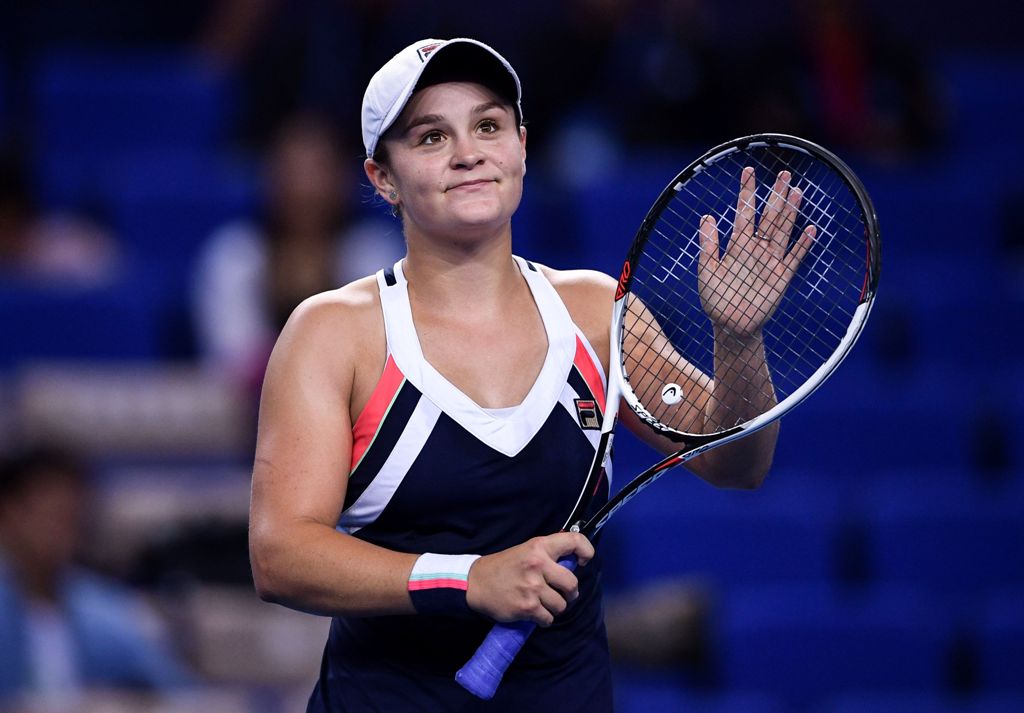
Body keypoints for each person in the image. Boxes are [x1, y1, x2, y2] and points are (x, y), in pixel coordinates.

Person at [248, 37, 805, 712]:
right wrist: (469, 579)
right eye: (430, 136)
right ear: (381, 177)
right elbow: (280, 555)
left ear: (521, 146)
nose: (469, 151)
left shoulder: (597, 313)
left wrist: (739, 340)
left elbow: (737, 463)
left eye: (488, 125)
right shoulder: (332, 332)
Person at [192, 112, 403, 391]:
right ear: (270, 178)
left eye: (318, 171)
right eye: (292, 171)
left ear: (342, 178)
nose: (305, 189)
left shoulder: (373, 251)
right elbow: (234, 359)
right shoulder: (234, 254)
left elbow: (384, 352)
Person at [0, 446, 191, 704]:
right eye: (48, 515)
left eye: (69, 518)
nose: (60, 532)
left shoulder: (109, 612)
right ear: (9, 514)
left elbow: (180, 695)